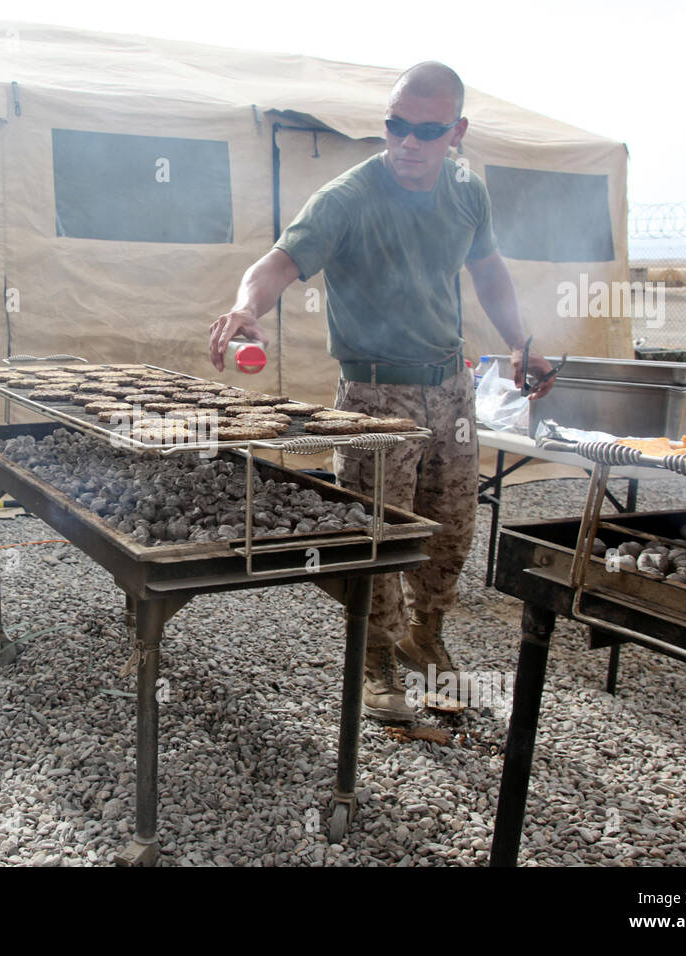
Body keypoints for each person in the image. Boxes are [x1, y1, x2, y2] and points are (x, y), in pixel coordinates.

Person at [209, 61, 555, 722]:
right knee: (373, 538)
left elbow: (489, 273)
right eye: (397, 127)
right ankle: (374, 664)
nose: (408, 143)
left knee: (449, 530)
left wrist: (520, 341)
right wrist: (246, 307)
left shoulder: (467, 193)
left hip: (451, 391)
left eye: (427, 131)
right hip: (375, 398)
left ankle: (427, 639)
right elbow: (279, 261)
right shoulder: (350, 196)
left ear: (457, 131)